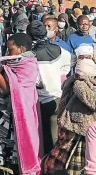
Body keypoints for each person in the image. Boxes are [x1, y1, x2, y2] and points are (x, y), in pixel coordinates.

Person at [0, 34, 42, 175]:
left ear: (21, 49)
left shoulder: (28, 65)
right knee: (7, 148)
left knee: (18, 147)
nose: (7, 52)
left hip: (20, 113)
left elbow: (11, 88)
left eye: (10, 49)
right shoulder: (15, 61)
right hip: (7, 112)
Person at [43, 55, 96, 175]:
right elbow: (64, 98)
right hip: (71, 126)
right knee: (62, 156)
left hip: (86, 129)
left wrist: (81, 83)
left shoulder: (93, 85)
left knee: (80, 160)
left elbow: (93, 102)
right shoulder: (72, 82)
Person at [28, 20, 72, 153]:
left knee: (38, 137)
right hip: (58, 98)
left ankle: (41, 166)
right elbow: (67, 68)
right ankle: (53, 168)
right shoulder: (60, 50)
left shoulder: (29, 55)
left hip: (38, 101)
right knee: (54, 137)